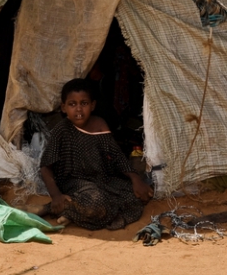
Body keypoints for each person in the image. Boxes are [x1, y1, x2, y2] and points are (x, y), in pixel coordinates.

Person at [40, 78, 154, 230]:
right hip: (74, 183)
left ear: (92, 105)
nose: (79, 109)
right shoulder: (62, 130)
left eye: (84, 103)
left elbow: (117, 156)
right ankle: (51, 208)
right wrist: (55, 195)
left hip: (102, 180)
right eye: (72, 104)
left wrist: (135, 179)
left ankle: (72, 213)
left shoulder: (99, 125)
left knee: (134, 197)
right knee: (96, 202)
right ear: (63, 107)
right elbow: (45, 166)